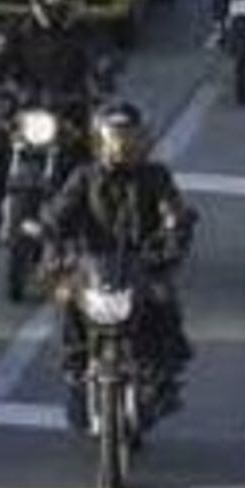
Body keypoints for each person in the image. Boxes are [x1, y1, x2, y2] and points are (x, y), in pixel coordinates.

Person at [35, 101, 197, 427]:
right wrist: (51, 235)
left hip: (141, 264)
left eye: (130, 138)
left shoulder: (156, 177)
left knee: (164, 301)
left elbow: (173, 211)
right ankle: (76, 375)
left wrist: (175, 231)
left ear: (143, 140)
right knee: (66, 299)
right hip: (92, 267)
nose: (122, 146)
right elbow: (59, 212)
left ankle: (163, 375)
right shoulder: (84, 176)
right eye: (115, 138)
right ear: (100, 140)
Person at [0, 0, 117, 234]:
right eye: (51, 3)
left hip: (70, 109)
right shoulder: (17, 28)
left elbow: (104, 59)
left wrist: (104, 78)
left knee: (93, 157)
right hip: (24, 106)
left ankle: (93, 217)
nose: (57, 9)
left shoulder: (89, 32)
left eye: (64, 4)